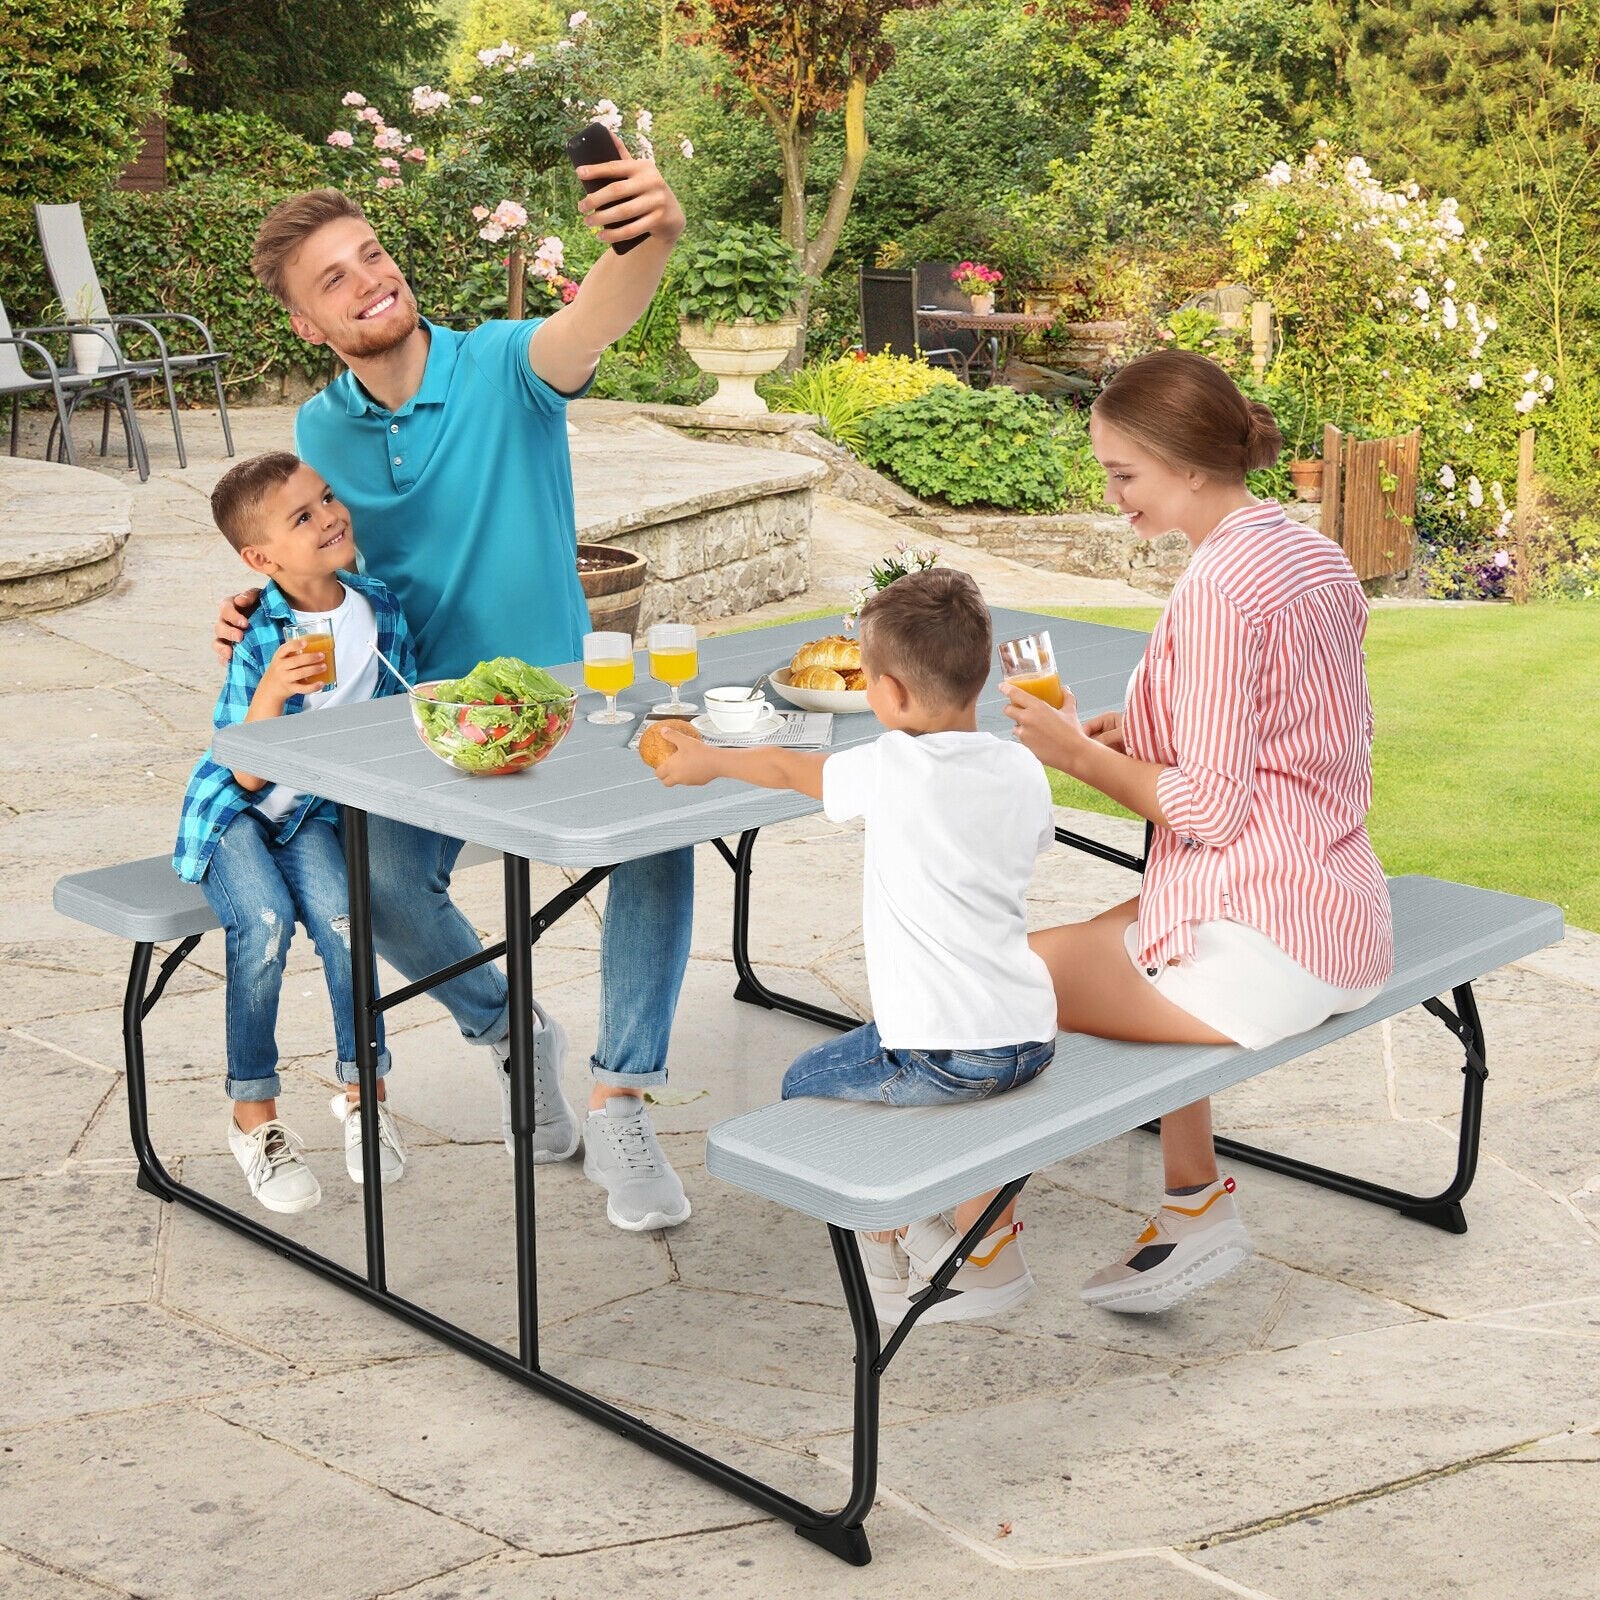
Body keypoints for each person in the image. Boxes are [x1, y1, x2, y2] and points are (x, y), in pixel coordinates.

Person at [213, 150, 696, 1232]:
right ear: (307, 323)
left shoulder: (504, 366)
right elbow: (319, 558)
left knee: (660, 827)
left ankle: (620, 1096)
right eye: (331, 279)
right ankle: (511, 1034)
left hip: (565, 700)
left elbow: (594, 322)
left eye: (370, 255)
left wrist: (649, 239)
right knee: (373, 880)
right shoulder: (323, 432)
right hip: (419, 721)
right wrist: (261, 605)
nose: (367, 281)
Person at [1004, 348, 1394, 1314]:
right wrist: (1143, 728)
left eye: (1123, 474)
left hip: (1262, 939)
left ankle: (973, 1241)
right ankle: (1191, 1204)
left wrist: (1076, 756)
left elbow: (1212, 811)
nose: (1113, 495)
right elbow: (1292, 720)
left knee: (994, 981)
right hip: (1338, 908)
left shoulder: (1216, 589)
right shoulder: (1304, 547)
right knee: (1105, 944)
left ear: (1186, 464)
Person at [653, 568, 1059, 1324]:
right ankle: (945, 1234)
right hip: (1031, 1038)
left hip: (946, 1056)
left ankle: (899, 1240)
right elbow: (1029, 843)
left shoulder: (893, 766)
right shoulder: (1020, 765)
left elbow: (781, 765)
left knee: (804, 1085)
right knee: (888, 1065)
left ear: (892, 695)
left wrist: (706, 759)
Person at [175, 453, 417, 1213]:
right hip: (236, 812)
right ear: (261, 559)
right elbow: (242, 768)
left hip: (312, 811)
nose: (329, 516)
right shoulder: (260, 629)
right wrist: (275, 690)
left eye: (328, 497)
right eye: (302, 517)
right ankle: (255, 1117)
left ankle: (364, 1096)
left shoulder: (380, 608)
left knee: (349, 925)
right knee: (266, 922)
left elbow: (394, 713)